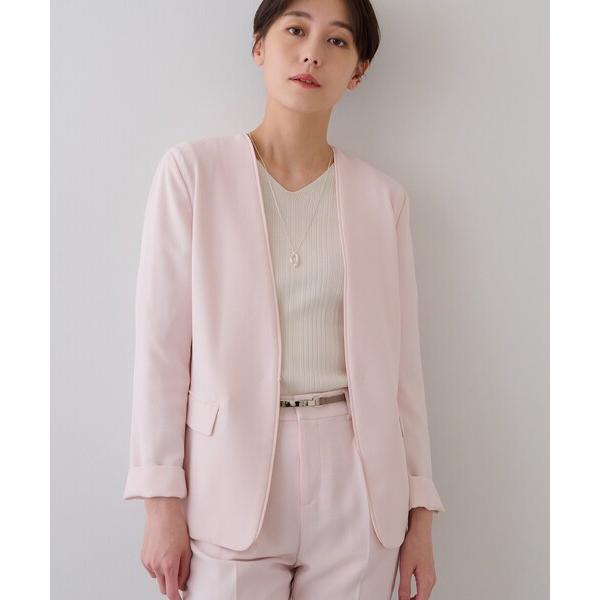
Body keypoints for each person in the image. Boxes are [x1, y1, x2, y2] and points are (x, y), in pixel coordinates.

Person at [123, 1, 446, 598]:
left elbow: (404, 371)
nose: (312, 53)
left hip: (358, 484)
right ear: (259, 47)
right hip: (229, 476)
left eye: (337, 41)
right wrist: (160, 500)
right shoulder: (193, 174)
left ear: (358, 71)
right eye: (295, 30)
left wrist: (420, 514)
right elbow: (161, 350)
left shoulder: (383, 200)